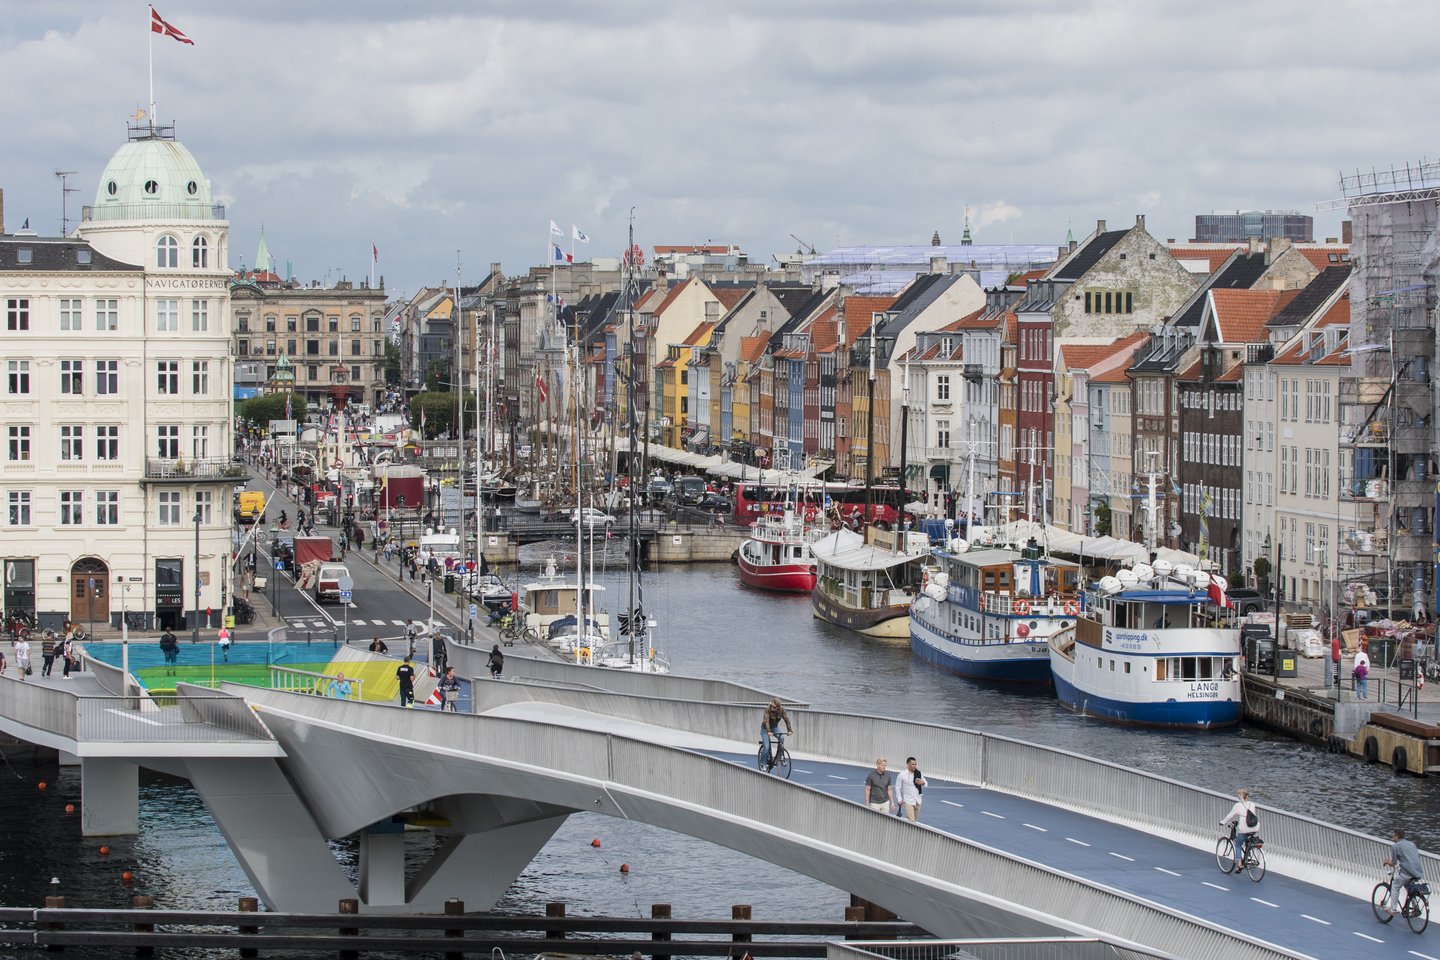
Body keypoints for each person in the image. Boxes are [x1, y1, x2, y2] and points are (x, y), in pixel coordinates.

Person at [1218, 788, 1260, 872]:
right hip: (1255, 827)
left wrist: (1223, 822)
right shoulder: (1252, 804)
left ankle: (1240, 865)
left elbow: (1230, 816)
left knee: (1238, 844)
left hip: (1244, 829)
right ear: (1247, 796)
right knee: (1247, 840)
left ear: (1239, 796)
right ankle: (1248, 855)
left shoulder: (1237, 805)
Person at [1385, 828, 1425, 914]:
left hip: (1407, 872)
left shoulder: (1395, 846)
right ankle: (1415, 908)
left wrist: (1387, 862)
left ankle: (1393, 909)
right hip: (1417, 871)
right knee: (1408, 886)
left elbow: (1393, 862)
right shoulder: (1412, 844)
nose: (1392, 836)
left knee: (1395, 887)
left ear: (1397, 836)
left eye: (1393, 835)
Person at [759, 698, 792, 766]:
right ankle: (763, 763)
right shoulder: (768, 709)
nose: (771, 707)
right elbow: (766, 721)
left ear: (778, 707)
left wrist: (789, 730)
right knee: (767, 747)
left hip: (774, 727)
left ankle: (781, 757)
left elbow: (786, 719)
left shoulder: (782, 710)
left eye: (773, 707)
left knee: (782, 738)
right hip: (765, 729)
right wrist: (768, 731)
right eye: (771, 705)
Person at [894, 756, 926, 822]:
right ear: (907, 765)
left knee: (914, 821)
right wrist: (899, 799)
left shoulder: (919, 773)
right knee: (911, 821)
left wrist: (922, 782)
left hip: (918, 800)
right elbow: (897, 787)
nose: (914, 766)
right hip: (908, 801)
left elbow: (926, 783)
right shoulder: (902, 774)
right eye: (912, 764)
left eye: (915, 764)